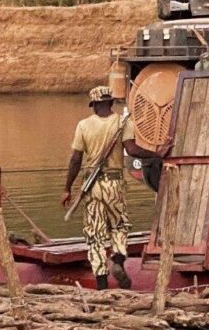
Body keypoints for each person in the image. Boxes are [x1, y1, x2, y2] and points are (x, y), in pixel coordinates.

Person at [62, 86, 162, 290]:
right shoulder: (123, 122)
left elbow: (75, 160)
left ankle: (102, 285)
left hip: (91, 185)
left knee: (95, 233)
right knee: (119, 225)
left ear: (95, 105)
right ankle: (117, 261)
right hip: (114, 183)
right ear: (111, 103)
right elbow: (132, 149)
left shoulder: (83, 125)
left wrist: (67, 188)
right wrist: (158, 153)